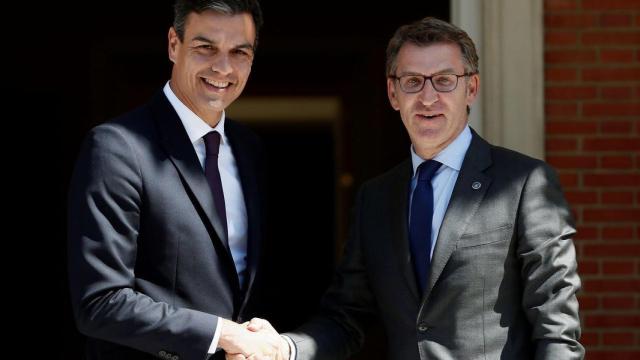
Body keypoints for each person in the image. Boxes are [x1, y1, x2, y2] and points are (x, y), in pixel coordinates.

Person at [233, 16, 585, 360]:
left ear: (471, 89)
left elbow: (556, 325)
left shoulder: (524, 183)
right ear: (393, 92)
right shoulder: (376, 198)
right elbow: (347, 316)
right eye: (413, 81)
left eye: (444, 81)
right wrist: (284, 348)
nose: (428, 97)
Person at [68, 1, 291, 359]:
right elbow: (100, 302)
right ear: (174, 44)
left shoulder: (250, 150)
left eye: (239, 52)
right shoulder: (116, 147)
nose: (223, 67)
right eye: (206, 48)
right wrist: (224, 335)